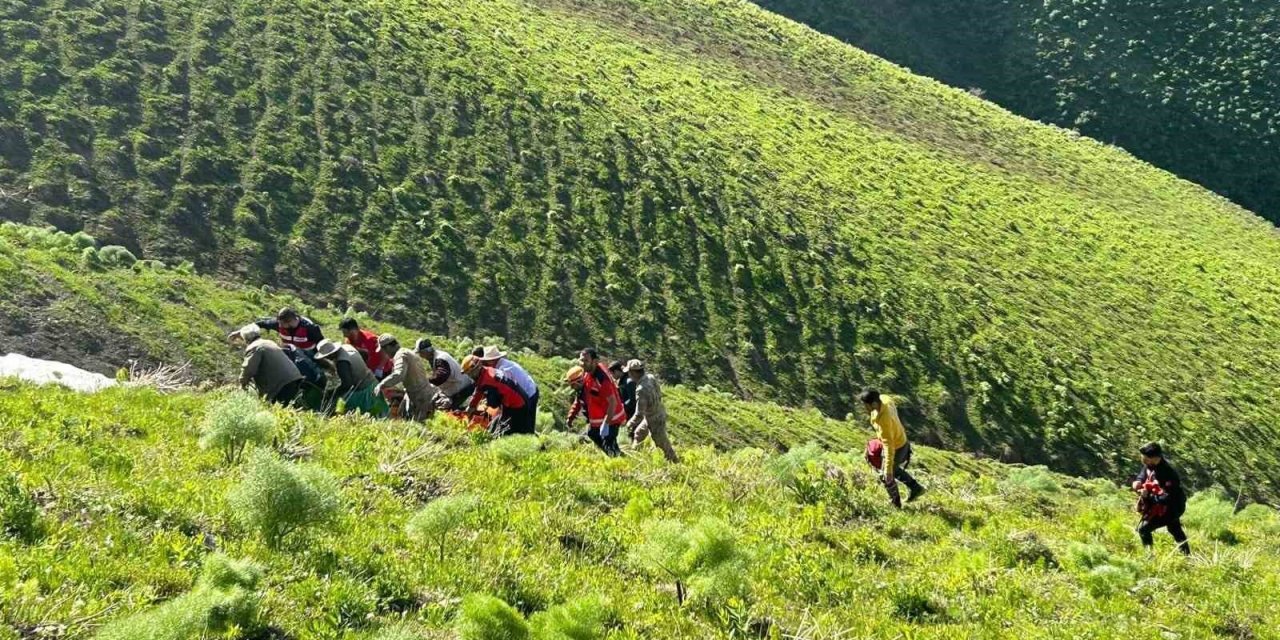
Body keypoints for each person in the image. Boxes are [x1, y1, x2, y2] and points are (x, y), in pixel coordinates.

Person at [859, 388, 926, 508]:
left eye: (866, 405)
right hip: (898, 439)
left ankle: (895, 503)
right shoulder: (884, 399)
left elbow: (888, 447)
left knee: (886, 475)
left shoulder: (884, 421)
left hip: (897, 446)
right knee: (887, 465)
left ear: (873, 404)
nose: (864, 407)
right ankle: (915, 488)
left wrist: (887, 470)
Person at [1132, 442, 1190, 555]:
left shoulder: (1168, 474)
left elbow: (1167, 497)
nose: (1142, 460)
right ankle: (1187, 555)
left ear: (1155, 458)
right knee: (1174, 529)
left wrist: (1147, 496)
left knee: (1143, 529)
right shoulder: (1150, 465)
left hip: (1172, 507)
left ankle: (1149, 556)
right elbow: (1144, 473)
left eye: (1145, 458)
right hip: (1163, 505)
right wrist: (1138, 481)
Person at [461, 355, 534, 435]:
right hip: (517, 399)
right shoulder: (486, 371)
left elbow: (493, 404)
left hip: (517, 405)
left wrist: (476, 408)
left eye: (470, 373)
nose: (470, 376)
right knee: (505, 427)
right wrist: (472, 406)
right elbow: (479, 389)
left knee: (512, 432)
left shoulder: (489, 380)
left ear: (477, 368)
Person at [565, 364, 626, 456]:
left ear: (578, 382)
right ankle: (614, 454)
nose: (572, 388)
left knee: (608, 441)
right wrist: (570, 417)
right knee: (592, 433)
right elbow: (577, 403)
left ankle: (616, 458)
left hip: (609, 419)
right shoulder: (582, 391)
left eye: (572, 385)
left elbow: (609, 402)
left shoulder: (592, 388)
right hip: (598, 421)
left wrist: (606, 423)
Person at [624, 360, 678, 463]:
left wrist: (627, 425)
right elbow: (659, 393)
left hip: (654, 419)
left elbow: (639, 414)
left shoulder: (641, 390)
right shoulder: (650, 377)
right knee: (639, 433)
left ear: (634, 373)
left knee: (662, 444)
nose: (629, 375)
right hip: (659, 411)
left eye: (629, 372)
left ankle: (674, 462)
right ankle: (634, 454)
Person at [373, 334, 437, 422]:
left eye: (384, 350)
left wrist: (381, 385)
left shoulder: (400, 355)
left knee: (420, 425)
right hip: (419, 393)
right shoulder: (406, 351)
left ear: (388, 347)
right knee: (402, 417)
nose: (384, 353)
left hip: (420, 396)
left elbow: (399, 374)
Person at [315, 339, 386, 417]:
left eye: (327, 356)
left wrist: (332, 393)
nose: (327, 358)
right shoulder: (347, 347)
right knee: (380, 413)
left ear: (332, 353)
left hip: (364, 391)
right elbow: (364, 354)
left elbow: (347, 385)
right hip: (373, 382)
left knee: (339, 404)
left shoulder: (342, 362)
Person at [236, 324, 304, 406]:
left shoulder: (254, 347)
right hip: (294, 378)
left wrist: (242, 383)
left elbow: (249, 369)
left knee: (279, 411)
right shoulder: (269, 342)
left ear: (246, 339)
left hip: (280, 384)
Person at [474, 346, 539, 426]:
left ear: (492, 361)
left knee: (527, 420)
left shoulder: (503, 369)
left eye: (487, 362)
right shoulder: (503, 363)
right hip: (529, 387)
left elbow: (507, 391)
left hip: (529, 392)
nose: (485, 364)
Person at [416, 339, 474, 409]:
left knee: (452, 413)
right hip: (458, 387)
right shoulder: (436, 357)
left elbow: (440, 377)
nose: (420, 356)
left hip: (462, 391)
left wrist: (425, 380)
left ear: (425, 352)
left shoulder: (440, 359)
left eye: (420, 353)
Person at [610, 360, 638, 437]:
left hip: (634, 413)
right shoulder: (623, 381)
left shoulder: (629, 381)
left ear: (616, 371)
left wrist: (621, 407)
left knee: (635, 434)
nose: (612, 376)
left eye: (612, 373)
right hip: (629, 413)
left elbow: (633, 400)